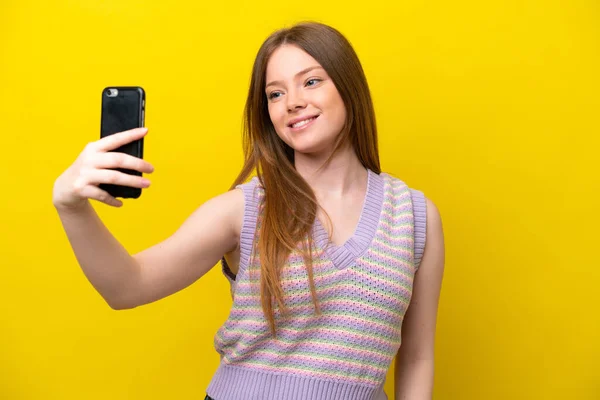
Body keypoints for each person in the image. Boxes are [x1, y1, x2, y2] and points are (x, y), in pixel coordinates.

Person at [53, 21, 445, 400]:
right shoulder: (246, 209)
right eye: (275, 94)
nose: (292, 102)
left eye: (311, 81)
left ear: (349, 87)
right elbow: (127, 287)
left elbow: (416, 355)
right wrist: (71, 207)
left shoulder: (414, 216)